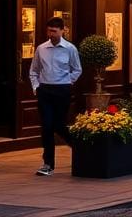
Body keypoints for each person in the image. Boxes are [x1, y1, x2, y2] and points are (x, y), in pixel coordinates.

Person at [29, 16, 82, 176]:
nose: (51, 34)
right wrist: (36, 87)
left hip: (62, 90)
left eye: (54, 31)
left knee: (58, 124)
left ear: (62, 30)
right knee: (46, 127)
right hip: (45, 90)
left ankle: (78, 146)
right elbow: (34, 70)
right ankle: (48, 164)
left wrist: (67, 82)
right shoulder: (41, 49)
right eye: (49, 31)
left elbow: (77, 69)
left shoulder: (70, 49)